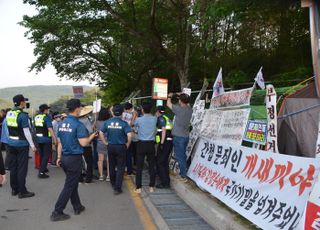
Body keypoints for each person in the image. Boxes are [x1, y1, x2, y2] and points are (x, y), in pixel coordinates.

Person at [50, 99, 97, 222]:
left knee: (72, 183)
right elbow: (84, 143)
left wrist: (59, 157)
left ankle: (77, 206)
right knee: (69, 185)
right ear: (76, 108)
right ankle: (57, 211)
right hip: (74, 159)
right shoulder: (78, 125)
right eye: (80, 108)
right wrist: (92, 135)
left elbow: (59, 143)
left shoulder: (61, 123)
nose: (81, 109)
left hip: (65, 158)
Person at [6, 94, 36, 198]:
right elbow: (27, 132)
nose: (25, 103)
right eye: (24, 101)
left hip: (11, 144)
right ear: (21, 102)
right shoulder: (23, 115)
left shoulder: (9, 113)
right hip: (21, 145)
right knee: (22, 168)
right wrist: (32, 145)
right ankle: (22, 191)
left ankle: (14, 189)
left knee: (13, 167)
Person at [99, 104, 132, 195]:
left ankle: (113, 183)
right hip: (121, 146)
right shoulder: (124, 123)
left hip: (111, 146)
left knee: (112, 165)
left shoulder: (107, 122)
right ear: (122, 113)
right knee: (121, 167)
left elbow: (101, 132)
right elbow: (130, 135)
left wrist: (105, 142)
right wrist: (127, 144)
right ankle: (117, 188)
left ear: (112, 112)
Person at [167, 93, 192, 182]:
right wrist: (180, 96)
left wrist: (170, 96)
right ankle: (184, 172)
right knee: (183, 155)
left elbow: (168, 104)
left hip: (179, 137)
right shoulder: (189, 109)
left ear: (180, 101)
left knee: (180, 156)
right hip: (185, 136)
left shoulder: (179, 109)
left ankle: (183, 176)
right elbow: (186, 102)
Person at [134, 102, 157, 194]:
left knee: (139, 166)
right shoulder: (155, 119)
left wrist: (135, 116)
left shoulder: (139, 120)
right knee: (151, 166)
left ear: (142, 110)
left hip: (141, 144)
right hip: (151, 144)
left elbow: (133, 125)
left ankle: (138, 187)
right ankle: (151, 186)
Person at [34, 104, 57, 178]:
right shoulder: (47, 117)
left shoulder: (36, 117)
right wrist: (54, 139)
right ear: (45, 110)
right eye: (47, 109)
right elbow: (50, 129)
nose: (48, 110)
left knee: (42, 155)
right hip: (46, 139)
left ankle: (43, 168)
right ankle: (41, 173)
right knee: (46, 155)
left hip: (38, 138)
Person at [155, 106, 173, 189]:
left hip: (165, 142)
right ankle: (167, 181)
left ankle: (164, 183)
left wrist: (161, 143)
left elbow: (163, 130)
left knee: (160, 163)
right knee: (164, 162)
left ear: (158, 111)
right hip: (169, 142)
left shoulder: (161, 118)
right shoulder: (167, 117)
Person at [78, 105, 94, 183]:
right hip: (86, 142)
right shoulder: (86, 120)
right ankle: (88, 178)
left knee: (79, 161)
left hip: (77, 143)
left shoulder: (75, 120)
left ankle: (80, 178)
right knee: (88, 161)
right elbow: (90, 130)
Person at [122, 102, 137, 176]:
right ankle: (129, 170)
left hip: (121, 135)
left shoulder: (121, 114)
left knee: (122, 152)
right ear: (130, 108)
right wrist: (134, 116)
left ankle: (122, 167)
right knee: (128, 153)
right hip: (128, 135)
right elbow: (131, 124)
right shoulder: (130, 115)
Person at [96, 107, 111, 181]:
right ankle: (108, 176)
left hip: (100, 142)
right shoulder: (109, 121)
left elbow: (95, 130)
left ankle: (101, 176)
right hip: (109, 142)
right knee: (109, 160)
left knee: (100, 160)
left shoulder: (97, 122)